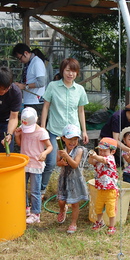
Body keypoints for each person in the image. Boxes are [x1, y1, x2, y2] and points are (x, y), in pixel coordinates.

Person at [40, 58, 89, 198]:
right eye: (67, 70)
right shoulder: (53, 86)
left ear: (77, 73)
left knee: (71, 164)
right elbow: (46, 107)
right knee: (50, 162)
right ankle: (41, 190)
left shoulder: (79, 89)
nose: (70, 74)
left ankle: (69, 193)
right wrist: (42, 127)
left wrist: (84, 131)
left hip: (72, 134)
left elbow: (81, 111)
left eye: (73, 71)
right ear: (62, 71)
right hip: (55, 130)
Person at [13, 107, 53, 225]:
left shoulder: (41, 132)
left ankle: (36, 213)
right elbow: (21, 144)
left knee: (35, 190)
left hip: (36, 164)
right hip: (24, 163)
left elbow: (50, 146)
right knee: (22, 187)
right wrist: (16, 135)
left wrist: (44, 153)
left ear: (36, 119)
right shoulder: (23, 129)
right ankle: (26, 208)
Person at [55, 124, 89, 234]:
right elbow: (58, 163)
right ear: (63, 138)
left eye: (75, 139)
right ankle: (62, 209)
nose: (73, 142)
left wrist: (67, 157)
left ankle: (73, 223)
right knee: (61, 200)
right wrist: (61, 162)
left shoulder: (79, 150)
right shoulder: (61, 149)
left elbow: (75, 164)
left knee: (75, 203)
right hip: (64, 179)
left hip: (75, 181)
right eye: (70, 139)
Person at [100, 95, 130, 159]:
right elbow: (116, 140)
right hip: (108, 142)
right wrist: (129, 150)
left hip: (127, 143)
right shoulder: (117, 116)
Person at [88, 137, 119, 235]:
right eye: (100, 150)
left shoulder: (110, 158)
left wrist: (95, 156)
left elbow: (102, 159)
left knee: (111, 209)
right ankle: (99, 222)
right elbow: (91, 162)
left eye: (104, 151)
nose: (102, 152)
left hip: (111, 190)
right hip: (101, 188)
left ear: (112, 151)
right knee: (98, 207)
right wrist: (91, 156)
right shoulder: (99, 158)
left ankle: (111, 226)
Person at [12, 43, 46, 117]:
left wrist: (24, 86)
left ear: (26, 53)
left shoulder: (37, 62)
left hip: (36, 102)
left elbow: (41, 82)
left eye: (20, 58)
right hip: (30, 100)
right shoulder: (30, 63)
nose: (20, 61)